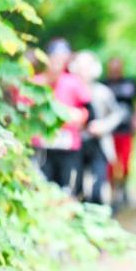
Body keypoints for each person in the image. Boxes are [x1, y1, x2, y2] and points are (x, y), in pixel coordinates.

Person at [33, 38, 91, 195]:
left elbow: (87, 111)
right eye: (55, 58)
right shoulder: (36, 83)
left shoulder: (74, 82)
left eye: (63, 58)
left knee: (67, 190)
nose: (58, 62)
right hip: (43, 146)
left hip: (68, 145)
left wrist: (79, 117)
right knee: (43, 188)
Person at [69, 51, 127, 206]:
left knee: (98, 186)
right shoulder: (69, 90)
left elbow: (117, 113)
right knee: (76, 186)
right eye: (81, 67)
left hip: (99, 144)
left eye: (87, 67)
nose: (84, 71)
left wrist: (103, 126)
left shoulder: (102, 92)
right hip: (75, 145)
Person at [103, 57, 136, 209]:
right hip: (108, 131)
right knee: (110, 163)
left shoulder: (130, 83)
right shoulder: (103, 84)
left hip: (126, 129)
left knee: (125, 161)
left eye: (117, 67)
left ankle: (124, 187)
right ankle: (113, 192)